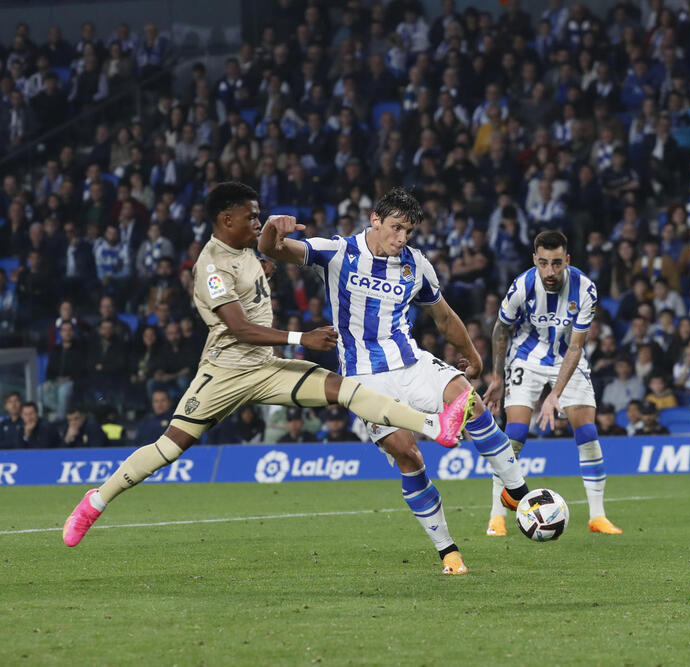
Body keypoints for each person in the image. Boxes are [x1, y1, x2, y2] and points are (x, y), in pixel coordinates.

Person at [63, 182, 476, 549]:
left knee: (349, 391)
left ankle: (432, 427)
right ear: (227, 220)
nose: (257, 222)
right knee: (168, 448)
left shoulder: (244, 252)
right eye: (251, 217)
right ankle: (94, 502)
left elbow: (267, 258)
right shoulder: (210, 266)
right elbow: (241, 328)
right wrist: (303, 339)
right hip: (225, 373)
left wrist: (271, 251)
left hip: (266, 367)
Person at [258, 187, 529, 575]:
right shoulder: (338, 252)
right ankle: (447, 550)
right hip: (365, 378)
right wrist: (272, 226)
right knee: (408, 454)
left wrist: (472, 353)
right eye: (396, 228)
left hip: (411, 363)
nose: (401, 238)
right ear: (375, 221)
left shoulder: (415, 264)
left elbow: (444, 316)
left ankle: (518, 492)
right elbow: (274, 249)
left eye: (408, 232)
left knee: (470, 402)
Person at [482, 230, 622, 537]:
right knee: (515, 434)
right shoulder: (522, 285)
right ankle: (497, 515)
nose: (550, 271)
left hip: (565, 359)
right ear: (535, 260)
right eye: (543, 263)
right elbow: (500, 330)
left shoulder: (585, 289)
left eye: (557, 263)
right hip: (526, 358)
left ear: (567, 260)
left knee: (586, 431)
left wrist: (555, 394)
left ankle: (597, 516)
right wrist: (497, 375)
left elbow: (575, 347)